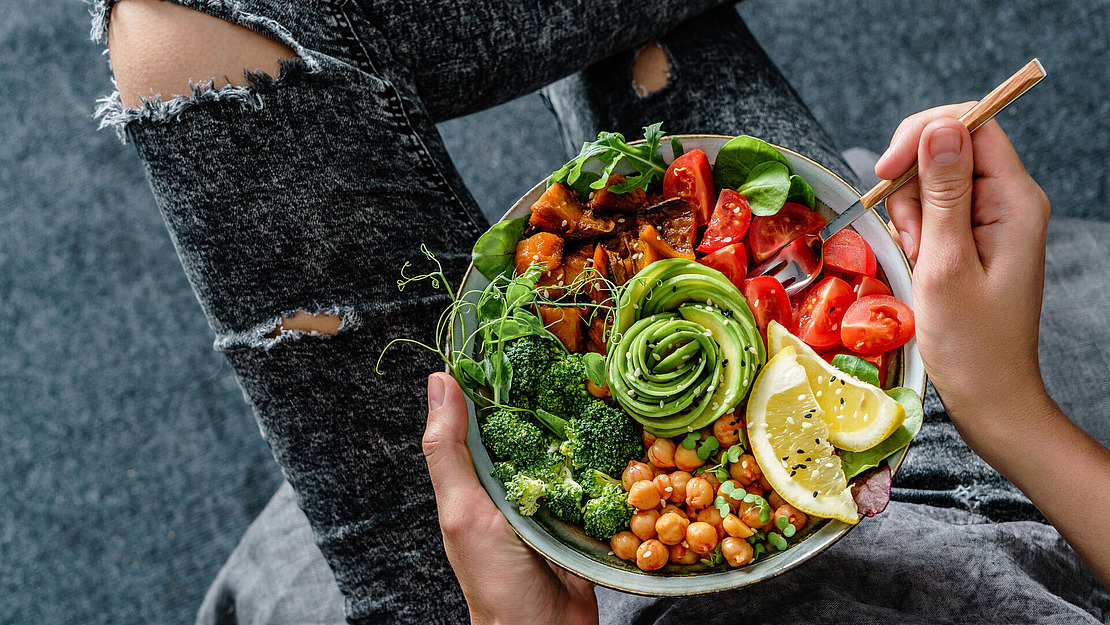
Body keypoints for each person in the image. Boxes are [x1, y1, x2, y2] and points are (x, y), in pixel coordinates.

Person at [92, 0, 1109, 623]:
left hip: (552, 592)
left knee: (178, 27)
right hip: (915, 481)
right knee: (660, 65)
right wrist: (1005, 405)